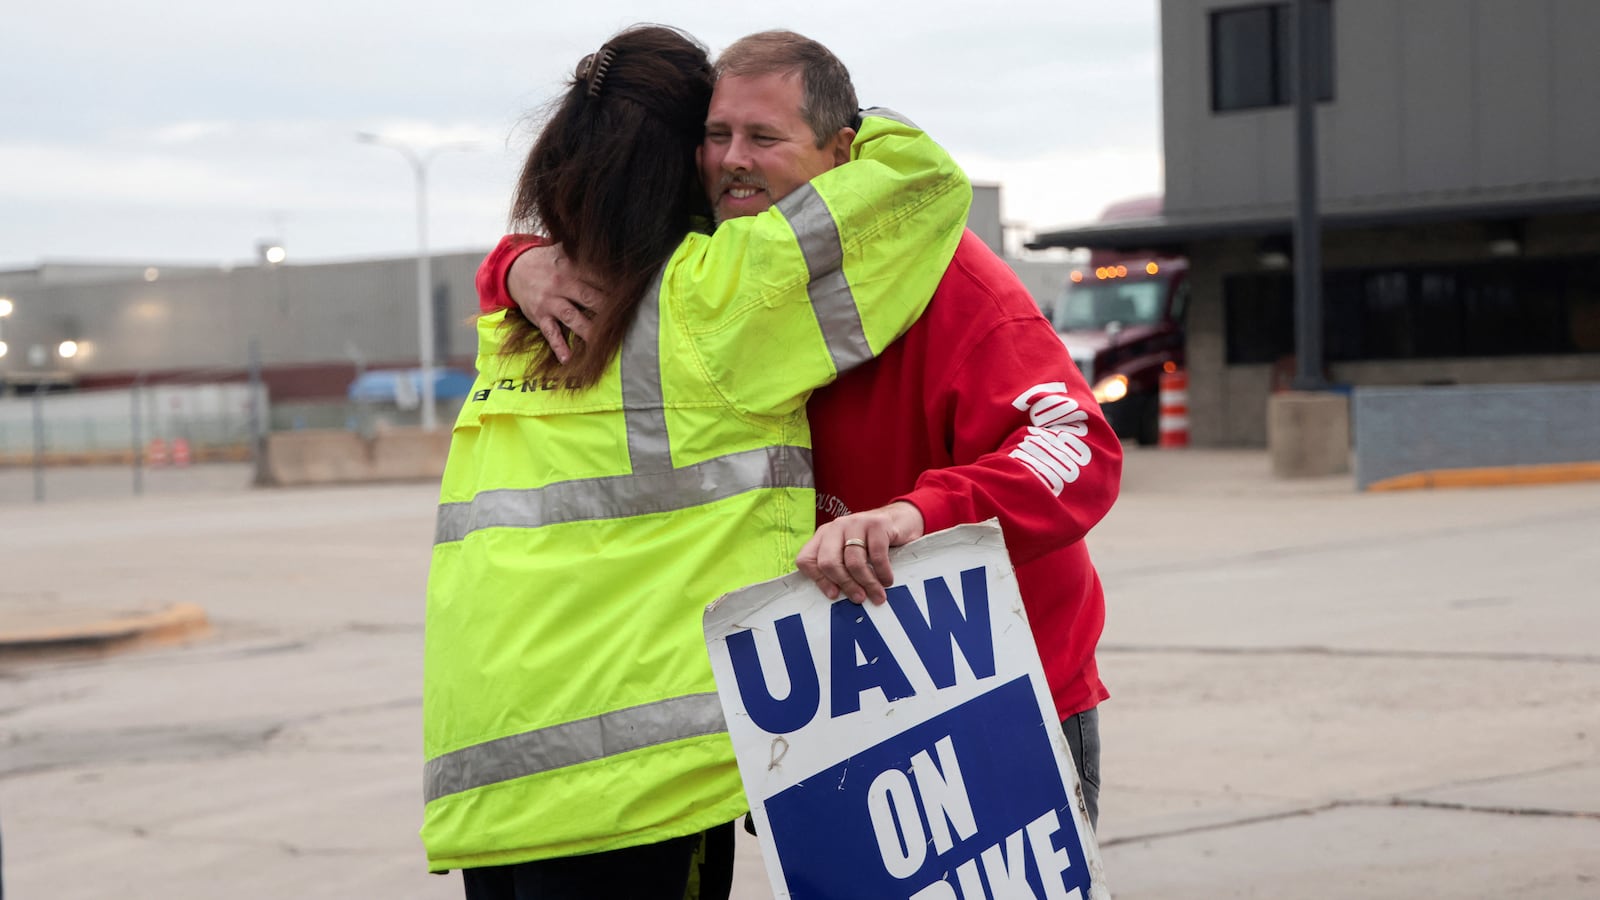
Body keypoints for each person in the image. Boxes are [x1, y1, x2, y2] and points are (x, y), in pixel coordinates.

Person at [489, 30, 1121, 829]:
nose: (732, 160)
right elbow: (588, 258)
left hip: (995, 687)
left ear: (840, 150)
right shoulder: (712, 268)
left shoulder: (950, 278)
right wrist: (516, 264)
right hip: (825, 710)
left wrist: (917, 515)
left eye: (764, 137)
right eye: (716, 136)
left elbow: (1079, 447)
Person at [423, 23, 971, 899]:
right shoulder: (715, 300)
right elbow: (924, 181)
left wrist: (519, 260)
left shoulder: (517, 328)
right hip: (634, 786)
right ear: (680, 158)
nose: (731, 158)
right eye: (715, 135)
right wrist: (828, 115)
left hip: (498, 777)